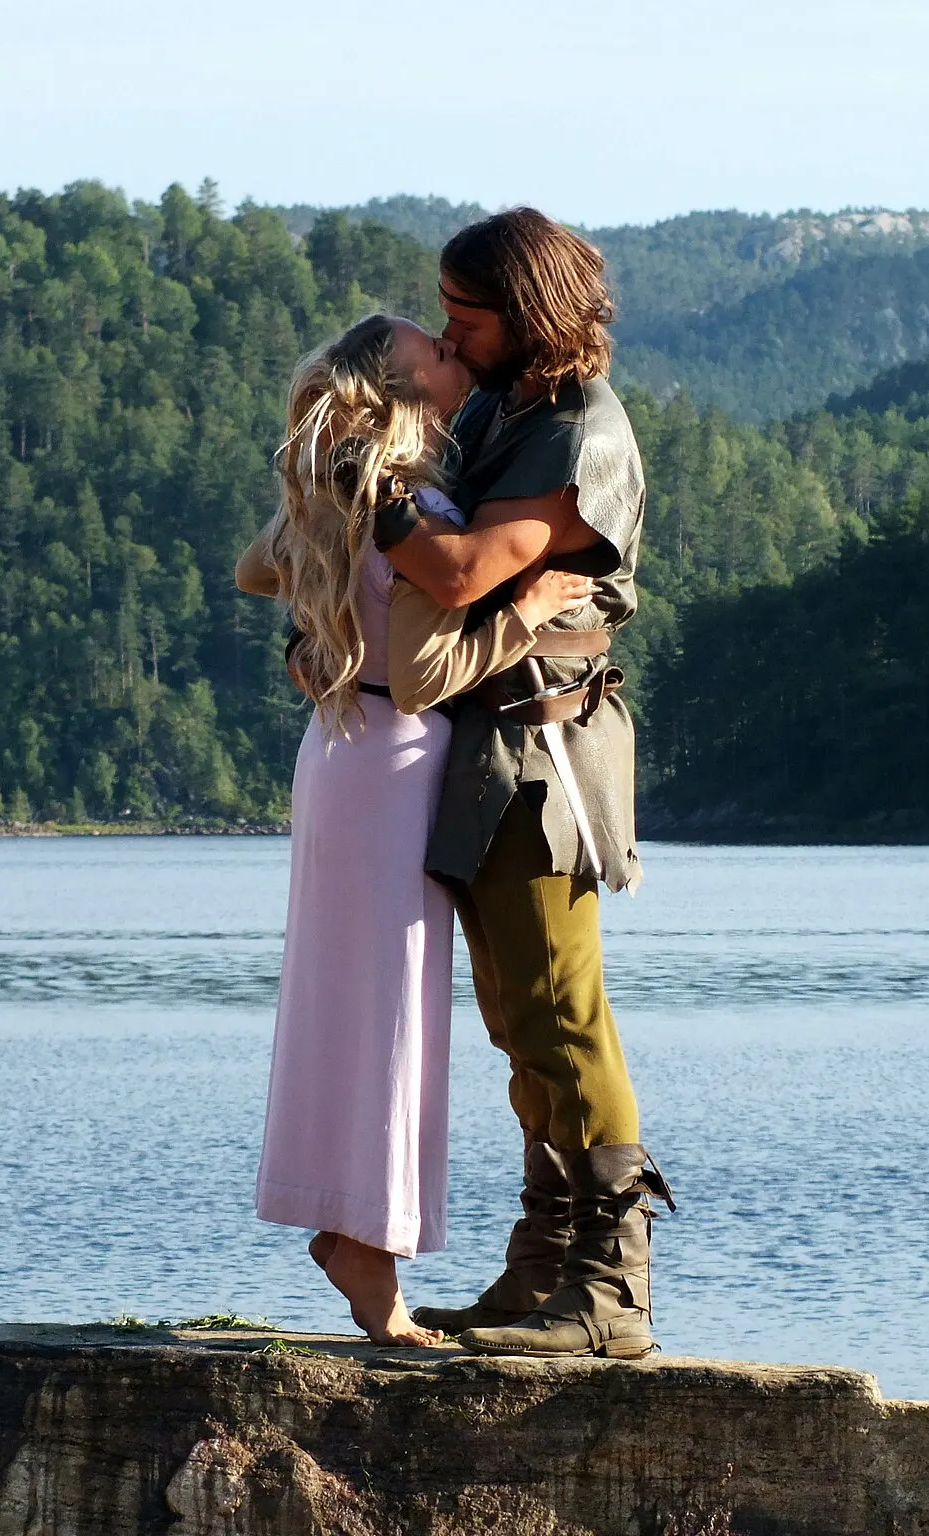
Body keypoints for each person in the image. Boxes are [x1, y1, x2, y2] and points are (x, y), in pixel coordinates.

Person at [235, 312, 594, 1347]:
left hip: (338, 747)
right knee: (388, 1016)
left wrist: (326, 618)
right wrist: (530, 610)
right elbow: (433, 669)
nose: (449, 352)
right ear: (396, 388)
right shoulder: (411, 500)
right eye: (428, 351)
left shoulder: (342, 490)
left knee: (342, 1006)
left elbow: (256, 570)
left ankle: (354, 1233)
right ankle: (365, 1253)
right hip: (390, 751)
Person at [375, 208, 675, 1360]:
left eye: (468, 317)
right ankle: (543, 1268)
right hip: (487, 755)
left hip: (544, 760)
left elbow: (451, 575)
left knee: (562, 1017)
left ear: (531, 317)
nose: (451, 336)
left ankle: (608, 1297)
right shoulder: (511, 405)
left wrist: (366, 486)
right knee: (518, 1026)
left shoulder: (580, 434)